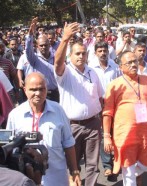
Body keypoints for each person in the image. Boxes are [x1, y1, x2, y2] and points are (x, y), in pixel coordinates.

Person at [102, 51, 147, 186]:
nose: (133, 65)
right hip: (125, 133)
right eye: (128, 63)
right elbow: (107, 112)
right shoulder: (114, 85)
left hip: (146, 131)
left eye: (135, 61)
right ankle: (129, 176)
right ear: (120, 67)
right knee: (128, 169)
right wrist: (107, 135)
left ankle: (130, 174)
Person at [6, 72, 80, 186]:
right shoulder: (15, 115)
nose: (38, 93)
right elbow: (8, 149)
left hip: (56, 178)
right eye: (33, 89)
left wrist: (74, 171)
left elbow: (68, 143)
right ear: (25, 90)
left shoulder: (58, 110)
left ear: (47, 89)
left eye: (41, 89)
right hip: (25, 180)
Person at [54, 22, 103, 186]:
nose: (81, 56)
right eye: (77, 54)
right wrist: (65, 39)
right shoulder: (65, 73)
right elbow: (57, 63)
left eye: (83, 53)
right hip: (72, 127)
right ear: (70, 56)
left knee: (93, 164)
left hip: (94, 124)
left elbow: (100, 97)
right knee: (73, 164)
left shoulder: (92, 72)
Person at [88, 41, 120, 177]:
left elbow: (120, 84)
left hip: (115, 104)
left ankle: (118, 160)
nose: (102, 53)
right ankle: (107, 165)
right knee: (104, 134)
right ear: (95, 53)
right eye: (99, 51)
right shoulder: (90, 68)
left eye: (104, 50)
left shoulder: (115, 66)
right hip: (99, 105)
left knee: (116, 133)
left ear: (108, 51)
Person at [25, 17, 59, 102]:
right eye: (41, 45)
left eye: (46, 45)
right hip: (40, 95)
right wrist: (30, 34)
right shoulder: (34, 59)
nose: (44, 47)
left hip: (55, 94)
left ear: (49, 45)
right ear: (37, 46)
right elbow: (28, 49)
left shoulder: (56, 58)